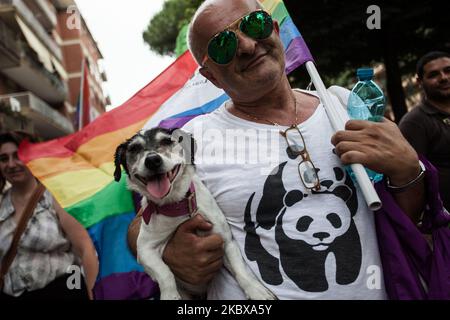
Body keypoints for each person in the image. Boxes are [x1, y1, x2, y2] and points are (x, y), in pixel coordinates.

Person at [129, 0, 430, 299]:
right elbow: (144, 219)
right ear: (211, 76)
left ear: (275, 30)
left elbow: (405, 218)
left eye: (254, 25)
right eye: (223, 45)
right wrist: (170, 253)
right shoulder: (192, 138)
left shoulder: (342, 106)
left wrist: (408, 170)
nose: (247, 46)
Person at [0, 132, 99, 300]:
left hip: (62, 292)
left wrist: (93, 294)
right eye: (3, 158)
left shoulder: (56, 197)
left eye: (18, 156)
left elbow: (85, 249)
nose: (11, 164)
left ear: (33, 157)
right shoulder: (1, 204)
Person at [399, 51, 450, 210]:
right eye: (434, 74)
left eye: (448, 71)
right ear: (419, 82)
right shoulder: (414, 122)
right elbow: (410, 177)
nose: (444, 77)